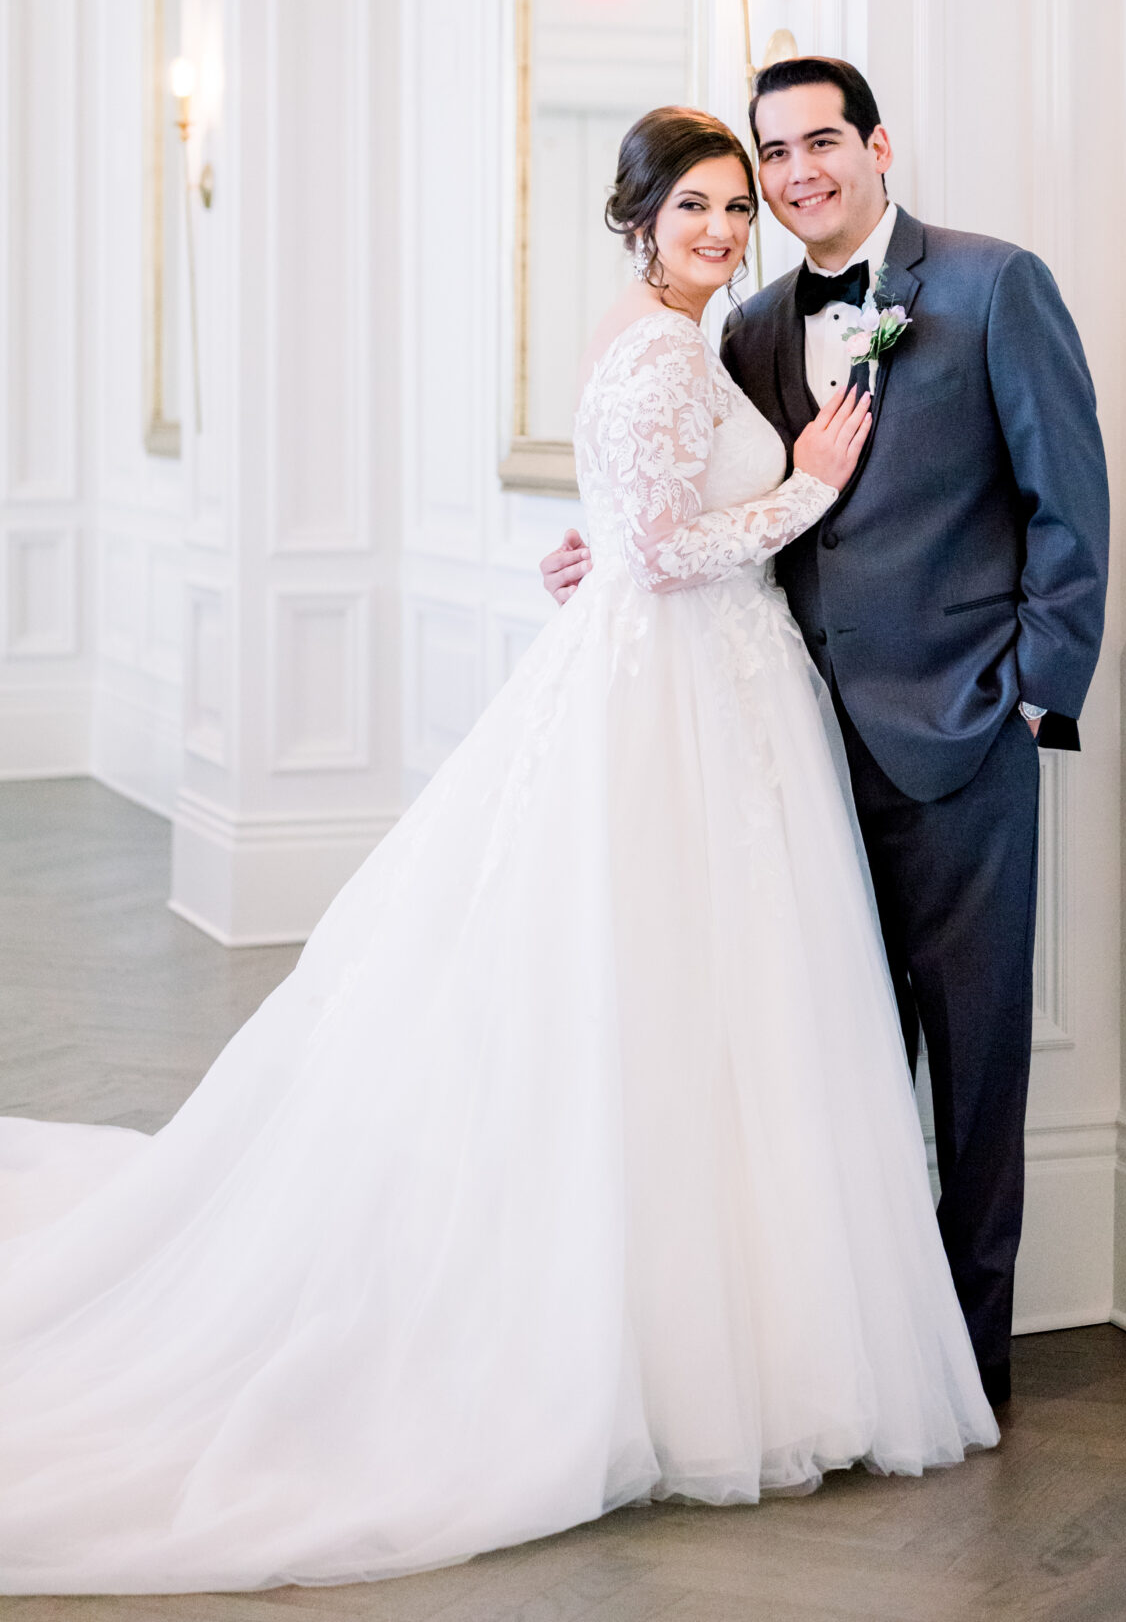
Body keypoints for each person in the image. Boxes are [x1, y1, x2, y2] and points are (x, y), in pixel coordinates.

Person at [0, 107, 996, 1595]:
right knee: (675, 997)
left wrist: (650, 529)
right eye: (697, 210)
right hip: (685, 697)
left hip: (697, 685)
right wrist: (814, 481)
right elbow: (667, 548)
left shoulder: (667, 343)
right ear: (640, 221)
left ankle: (716, 1327)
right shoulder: (666, 349)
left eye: (737, 208)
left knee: (704, 1009)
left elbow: (635, 528)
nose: (725, 230)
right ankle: (665, 1346)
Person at [544, 57, 1109, 1407]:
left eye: (815, 148)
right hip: (781, 754)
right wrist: (602, 554)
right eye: (767, 159)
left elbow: (1067, 505)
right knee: (826, 1065)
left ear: (876, 144)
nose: (791, 180)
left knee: (975, 1070)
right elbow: (695, 505)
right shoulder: (738, 330)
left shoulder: (991, 286)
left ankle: (963, 1366)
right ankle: (850, 1361)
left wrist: (1032, 693)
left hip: (962, 735)